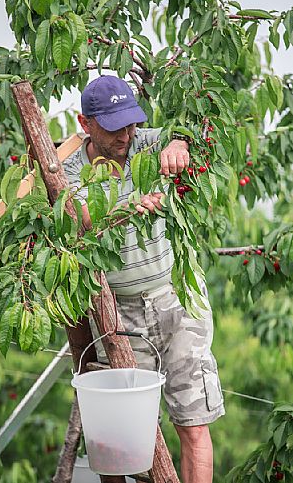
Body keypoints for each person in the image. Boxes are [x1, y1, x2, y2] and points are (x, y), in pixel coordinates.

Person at [63, 75, 225, 483]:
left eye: (131, 123)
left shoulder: (144, 143)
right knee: (124, 440)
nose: (127, 134)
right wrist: (127, 207)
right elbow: (74, 219)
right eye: (115, 126)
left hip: (177, 298)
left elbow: (190, 131)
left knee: (194, 423)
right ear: (87, 124)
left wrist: (179, 144)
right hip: (121, 316)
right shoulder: (69, 171)